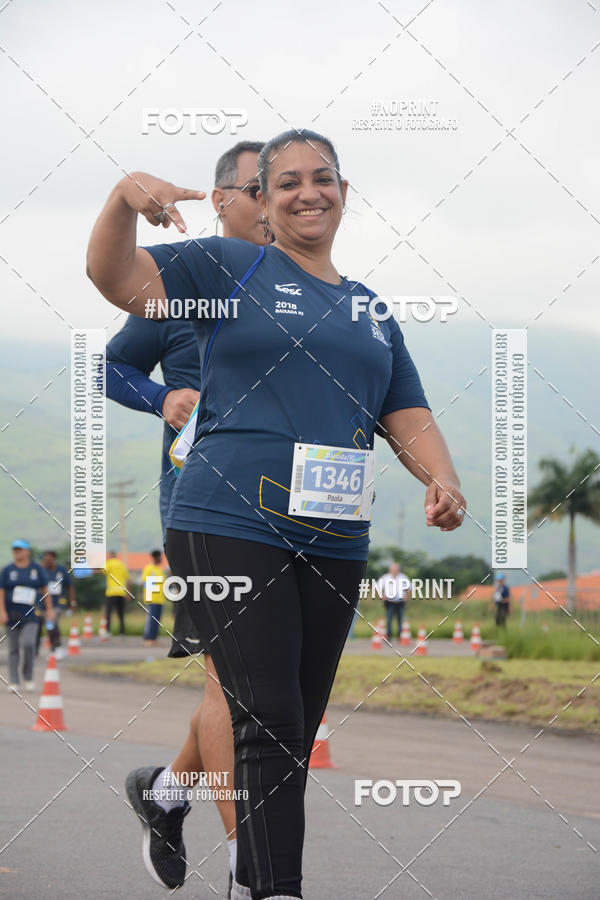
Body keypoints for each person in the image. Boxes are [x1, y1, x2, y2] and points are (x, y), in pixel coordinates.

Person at [87, 128, 467, 900]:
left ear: (344, 192)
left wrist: (444, 479)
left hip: (334, 532)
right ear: (260, 200)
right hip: (227, 516)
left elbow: (408, 411)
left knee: (291, 729)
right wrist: (124, 196)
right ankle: (270, 886)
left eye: (321, 178)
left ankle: (199, 822)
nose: (307, 192)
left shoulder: (370, 309)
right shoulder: (231, 267)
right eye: (285, 181)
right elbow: (116, 279)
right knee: (261, 716)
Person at [105, 142, 269, 893]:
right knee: (231, 690)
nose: (275, 205)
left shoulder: (305, 288)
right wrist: (160, 398)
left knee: (262, 689)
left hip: (292, 517)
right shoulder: (183, 288)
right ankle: (252, 868)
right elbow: (107, 363)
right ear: (221, 199)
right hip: (205, 512)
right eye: (260, 188)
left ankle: (166, 794)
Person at [0, 540, 55, 692]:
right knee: (13, 648)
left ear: (27, 551)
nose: (17, 552)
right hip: (11, 615)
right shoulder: (7, 570)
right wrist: (1, 611)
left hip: (32, 615)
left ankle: (28, 676)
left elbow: (45, 589)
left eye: (20, 550)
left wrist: (49, 609)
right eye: (15, 550)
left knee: (29, 644)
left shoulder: (36, 569)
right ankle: (14, 681)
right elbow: (2, 591)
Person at [37, 550, 76, 658]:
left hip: (59, 603)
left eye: (49, 559)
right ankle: (53, 648)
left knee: (51, 622)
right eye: (45, 560)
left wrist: (72, 603)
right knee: (49, 626)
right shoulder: (41, 571)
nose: (47, 562)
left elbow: (70, 587)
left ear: (54, 559)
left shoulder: (62, 571)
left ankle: (56, 647)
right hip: (44, 605)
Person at [376, 561, 410, 640]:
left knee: (400, 619)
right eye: (393, 569)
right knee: (389, 619)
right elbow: (378, 587)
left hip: (400, 602)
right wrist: (382, 596)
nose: (395, 571)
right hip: (389, 602)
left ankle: (400, 636)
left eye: (396, 569)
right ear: (390, 570)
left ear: (399, 570)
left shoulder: (403, 577)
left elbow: (409, 588)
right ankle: (389, 636)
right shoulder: (385, 577)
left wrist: (407, 596)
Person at [141, 550, 166, 646]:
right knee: (151, 619)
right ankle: (148, 638)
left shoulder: (159, 569)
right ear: (156, 557)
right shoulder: (149, 568)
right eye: (160, 557)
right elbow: (145, 582)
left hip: (159, 599)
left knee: (156, 620)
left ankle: (153, 638)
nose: (161, 559)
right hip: (152, 598)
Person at [103, 551, 130, 635]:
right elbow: (128, 580)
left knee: (108, 613)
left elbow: (102, 571)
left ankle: (107, 631)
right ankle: (122, 632)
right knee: (121, 613)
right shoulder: (122, 564)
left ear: (110, 556)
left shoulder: (109, 563)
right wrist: (128, 593)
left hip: (111, 593)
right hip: (121, 593)